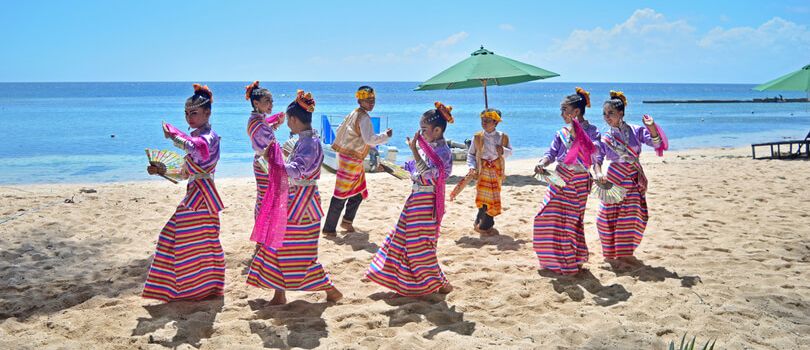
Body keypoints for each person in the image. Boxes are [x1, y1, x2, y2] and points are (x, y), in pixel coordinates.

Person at [246, 90, 343, 304]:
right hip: (297, 198)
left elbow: (297, 170)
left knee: (299, 252)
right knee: (277, 244)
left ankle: (330, 289)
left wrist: (275, 164)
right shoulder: (307, 140)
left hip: (303, 203)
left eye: (289, 121)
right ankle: (279, 293)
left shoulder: (309, 143)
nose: (288, 125)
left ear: (293, 119)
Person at [143, 84, 225, 301]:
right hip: (196, 194)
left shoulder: (209, 138)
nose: (189, 117)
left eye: (194, 113)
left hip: (202, 196)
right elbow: (183, 173)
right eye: (187, 113)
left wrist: (174, 136)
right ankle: (200, 289)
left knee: (182, 238)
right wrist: (160, 170)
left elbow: (196, 148)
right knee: (197, 241)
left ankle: (196, 289)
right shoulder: (197, 138)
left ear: (207, 113)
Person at [366, 102, 454, 296]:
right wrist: (389, 168)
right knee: (403, 239)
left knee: (419, 244)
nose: (420, 133)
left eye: (424, 130)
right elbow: (411, 171)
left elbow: (430, 174)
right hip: (415, 199)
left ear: (438, 130)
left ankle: (440, 283)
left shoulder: (443, 152)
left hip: (426, 202)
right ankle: (426, 283)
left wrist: (414, 149)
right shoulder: (427, 148)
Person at [533, 87, 602, 275]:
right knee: (544, 216)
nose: (562, 113)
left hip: (579, 180)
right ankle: (553, 260)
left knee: (571, 222)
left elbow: (595, 155)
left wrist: (598, 173)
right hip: (559, 177)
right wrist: (542, 162)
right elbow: (551, 153)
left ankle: (572, 262)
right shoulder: (561, 132)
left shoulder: (593, 132)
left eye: (564, 109)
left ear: (576, 112)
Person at [596, 90, 667, 262]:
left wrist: (651, 126)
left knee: (629, 217)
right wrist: (598, 173)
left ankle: (624, 253)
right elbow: (597, 158)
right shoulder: (605, 137)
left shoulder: (636, 131)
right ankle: (610, 253)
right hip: (613, 180)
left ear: (621, 113)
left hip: (632, 179)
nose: (607, 117)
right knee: (604, 217)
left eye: (611, 113)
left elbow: (656, 142)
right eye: (604, 114)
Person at [323, 86, 392, 235]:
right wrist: (385, 136)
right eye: (368, 100)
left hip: (345, 156)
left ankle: (347, 222)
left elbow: (342, 130)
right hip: (351, 159)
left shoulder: (354, 113)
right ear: (360, 100)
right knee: (341, 193)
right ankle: (329, 228)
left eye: (373, 100)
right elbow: (369, 139)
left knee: (359, 191)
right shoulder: (364, 117)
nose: (371, 103)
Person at [245, 81, 285, 251]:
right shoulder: (258, 124)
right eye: (267, 101)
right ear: (256, 103)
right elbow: (268, 143)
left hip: (262, 162)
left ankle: (264, 235)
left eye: (271, 101)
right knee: (265, 199)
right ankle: (262, 238)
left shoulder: (257, 120)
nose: (271, 105)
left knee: (264, 198)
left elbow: (266, 132)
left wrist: (275, 124)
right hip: (264, 164)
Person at [465, 108, 511, 234]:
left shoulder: (503, 137)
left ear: (496, 122)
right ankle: (483, 221)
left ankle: (486, 222)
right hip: (482, 171)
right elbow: (471, 155)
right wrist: (471, 167)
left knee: (493, 197)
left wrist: (503, 151)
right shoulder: (477, 137)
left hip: (496, 172)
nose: (484, 122)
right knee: (483, 197)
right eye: (482, 120)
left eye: (487, 120)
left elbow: (509, 152)